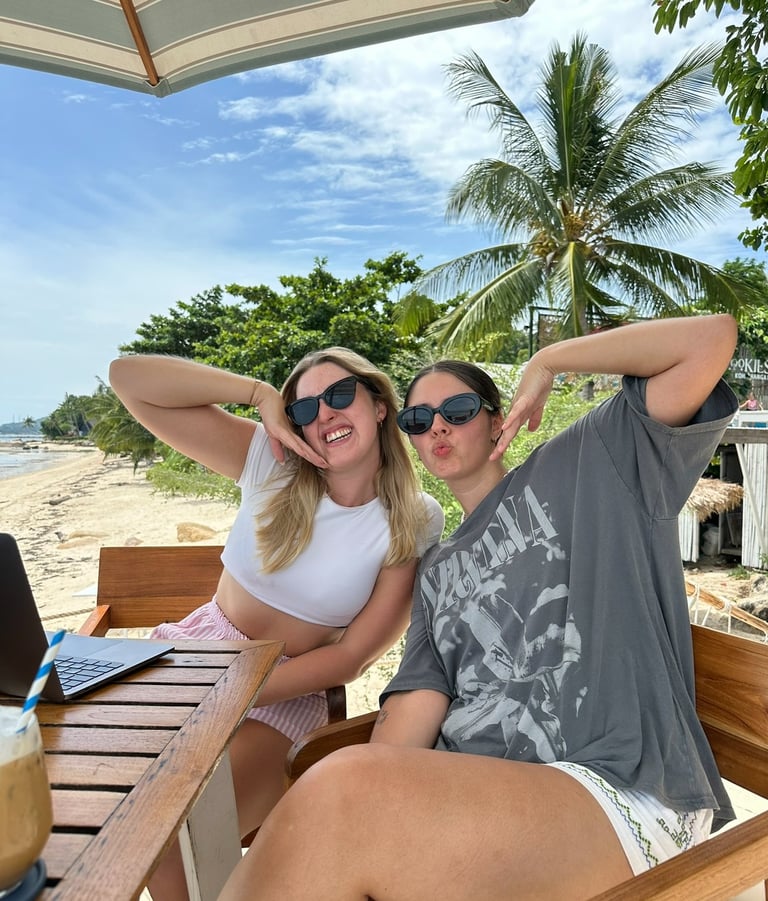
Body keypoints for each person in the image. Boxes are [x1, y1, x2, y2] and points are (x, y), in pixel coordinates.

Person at [218, 314, 739, 901]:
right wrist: (372, 788)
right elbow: (415, 706)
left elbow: (708, 339)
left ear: (497, 419)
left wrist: (550, 361)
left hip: (616, 788)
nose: (438, 427)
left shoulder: (590, 462)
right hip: (475, 802)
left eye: (459, 410)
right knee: (327, 811)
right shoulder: (435, 568)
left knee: (338, 790)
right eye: (419, 420)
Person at [108, 348, 444, 901]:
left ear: (379, 404)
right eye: (304, 408)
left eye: (340, 395)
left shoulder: (413, 515)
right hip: (195, 654)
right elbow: (128, 377)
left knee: (174, 840)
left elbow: (351, 657)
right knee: (102, 802)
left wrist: (233, 686)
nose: (324, 414)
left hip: (287, 686)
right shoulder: (271, 461)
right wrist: (257, 394)